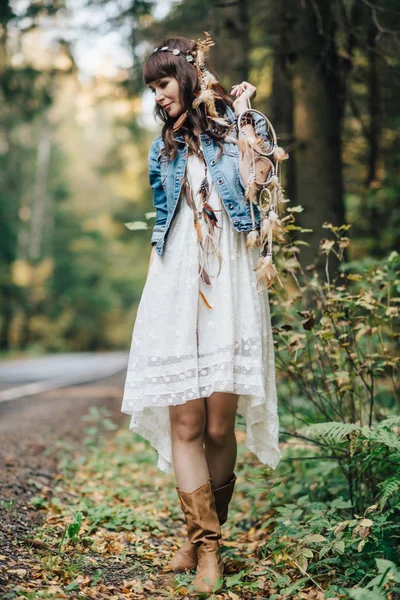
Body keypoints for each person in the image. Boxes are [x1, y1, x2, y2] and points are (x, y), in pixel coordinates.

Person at [121, 34, 281, 593]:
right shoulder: (162, 145)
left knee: (218, 425)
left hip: (228, 283)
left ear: (187, 77)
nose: (157, 96)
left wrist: (241, 117)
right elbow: (171, 220)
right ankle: (208, 549)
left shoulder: (244, 125)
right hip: (175, 281)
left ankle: (197, 536)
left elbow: (258, 186)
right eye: (152, 88)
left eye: (162, 84)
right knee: (185, 422)